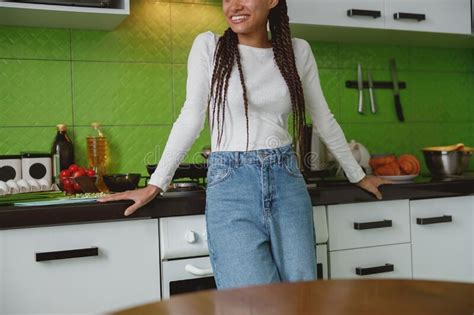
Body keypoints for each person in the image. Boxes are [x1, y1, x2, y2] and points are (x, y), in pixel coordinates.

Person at [98, 0, 392, 289]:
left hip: (287, 183)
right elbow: (191, 117)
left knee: (301, 300)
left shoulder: (297, 51)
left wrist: (358, 174)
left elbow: (323, 118)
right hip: (230, 188)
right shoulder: (209, 47)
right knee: (252, 303)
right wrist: (156, 183)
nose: (234, 6)